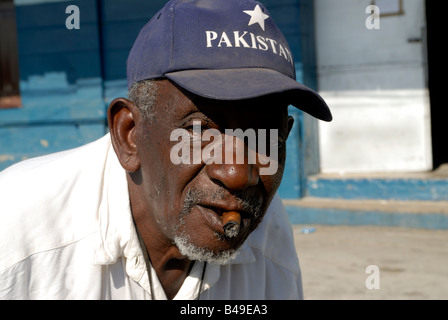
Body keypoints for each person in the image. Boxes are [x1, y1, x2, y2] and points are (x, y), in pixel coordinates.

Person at [0, 0, 331, 299]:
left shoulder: (268, 233)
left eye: (265, 136)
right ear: (129, 134)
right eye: (200, 131)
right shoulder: (17, 229)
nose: (237, 174)